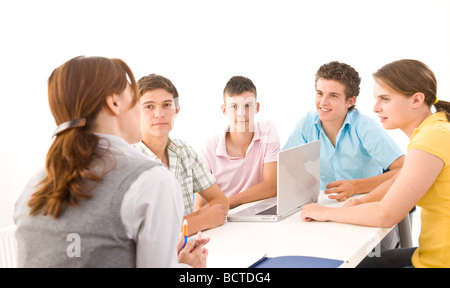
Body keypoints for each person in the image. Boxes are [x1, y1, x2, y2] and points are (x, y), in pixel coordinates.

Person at [14, 56, 208, 268]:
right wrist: (188, 268)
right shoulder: (152, 180)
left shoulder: (32, 186)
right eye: (135, 99)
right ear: (114, 103)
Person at [301, 59, 450, 268]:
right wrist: (363, 201)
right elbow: (399, 178)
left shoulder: (431, 137)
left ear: (416, 100)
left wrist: (324, 212)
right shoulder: (434, 129)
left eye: (385, 99)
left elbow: (386, 215)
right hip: (429, 254)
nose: (376, 107)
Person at [284, 61, 405, 201]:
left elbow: (403, 169)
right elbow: (289, 159)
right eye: (320, 93)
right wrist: (303, 176)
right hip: (328, 202)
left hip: (366, 201)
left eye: (333, 95)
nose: (323, 102)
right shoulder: (307, 123)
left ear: (350, 101)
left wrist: (355, 187)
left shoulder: (365, 127)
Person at [133, 74, 228, 236]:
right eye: (149, 106)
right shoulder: (128, 162)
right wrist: (201, 220)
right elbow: (145, 233)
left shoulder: (184, 151)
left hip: (190, 249)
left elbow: (221, 202)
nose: (159, 113)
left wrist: (183, 225)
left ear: (176, 110)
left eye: (166, 105)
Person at [198, 76, 280, 209]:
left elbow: (272, 186)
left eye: (248, 105)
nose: (241, 113)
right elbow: (200, 206)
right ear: (224, 110)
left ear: (257, 107)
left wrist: (227, 202)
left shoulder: (268, 131)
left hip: (257, 212)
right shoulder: (208, 149)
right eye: (234, 106)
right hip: (225, 218)